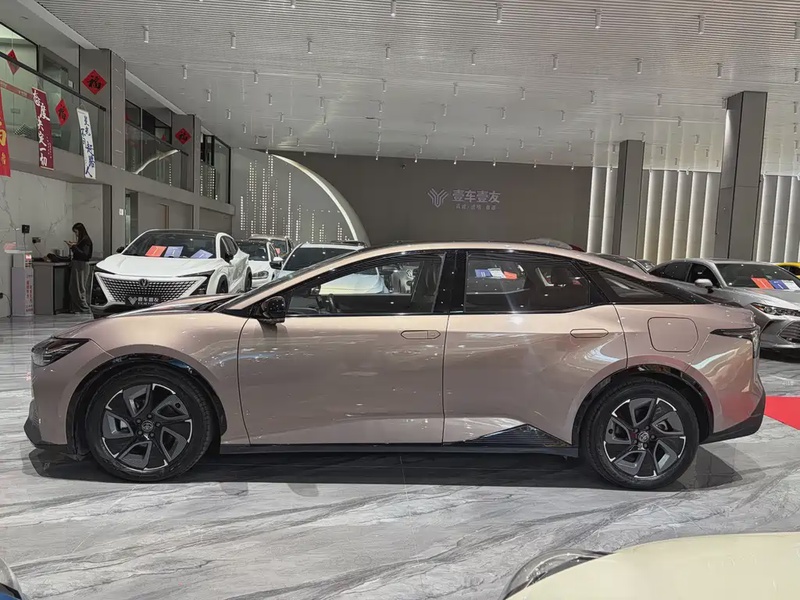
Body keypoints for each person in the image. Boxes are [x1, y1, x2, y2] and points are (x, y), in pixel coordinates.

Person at [67, 222, 93, 313]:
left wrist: (74, 247)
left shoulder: (86, 241)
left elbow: (84, 254)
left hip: (80, 265)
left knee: (79, 287)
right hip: (79, 264)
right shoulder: (83, 240)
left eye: (76, 232)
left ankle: (84, 308)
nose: (76, 234)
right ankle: (77, 307)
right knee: (75, 287)